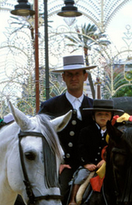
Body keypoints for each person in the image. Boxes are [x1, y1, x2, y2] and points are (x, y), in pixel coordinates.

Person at [39, 55, 96, 204]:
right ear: (63, 77)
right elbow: (40, 138)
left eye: (77, 74)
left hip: (90, 165)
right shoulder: (50, 106)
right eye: (69, 75)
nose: (73, 78)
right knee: (58, 196)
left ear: (85, 76)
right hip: (63, 166)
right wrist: (55, 163)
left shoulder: (95, 107)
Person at [66, 99, 123, 205]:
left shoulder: (115, 133)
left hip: (107, 164)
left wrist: (105, 160)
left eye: (106, 114)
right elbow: (80, 148)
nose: (103, 117)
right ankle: (73, 199)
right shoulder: (86, 131)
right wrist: (86, 163)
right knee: (80, 176)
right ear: (93, 117)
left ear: (111, 116)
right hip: (89, 165)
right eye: (99, 114)